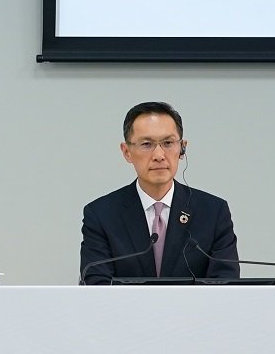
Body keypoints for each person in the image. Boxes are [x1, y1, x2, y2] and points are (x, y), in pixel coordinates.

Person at [79, 101, 238, 284]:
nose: (159, 155)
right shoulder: (101, 214)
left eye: (168, 143)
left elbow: (226, 284)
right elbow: (96, 283)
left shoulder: (213, 212)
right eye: (147, 144)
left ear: (182, 148)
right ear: (127, 152)